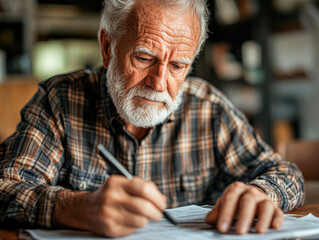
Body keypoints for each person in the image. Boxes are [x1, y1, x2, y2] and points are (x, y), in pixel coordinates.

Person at [0, 0, 304, 237]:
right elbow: (6, 189)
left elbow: (285, 174)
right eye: (144, 58)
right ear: (107, 47)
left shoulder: (208, 108)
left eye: (177, 66)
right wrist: (76, 208)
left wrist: (264, 193)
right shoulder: (61, 101)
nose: (159, 83)